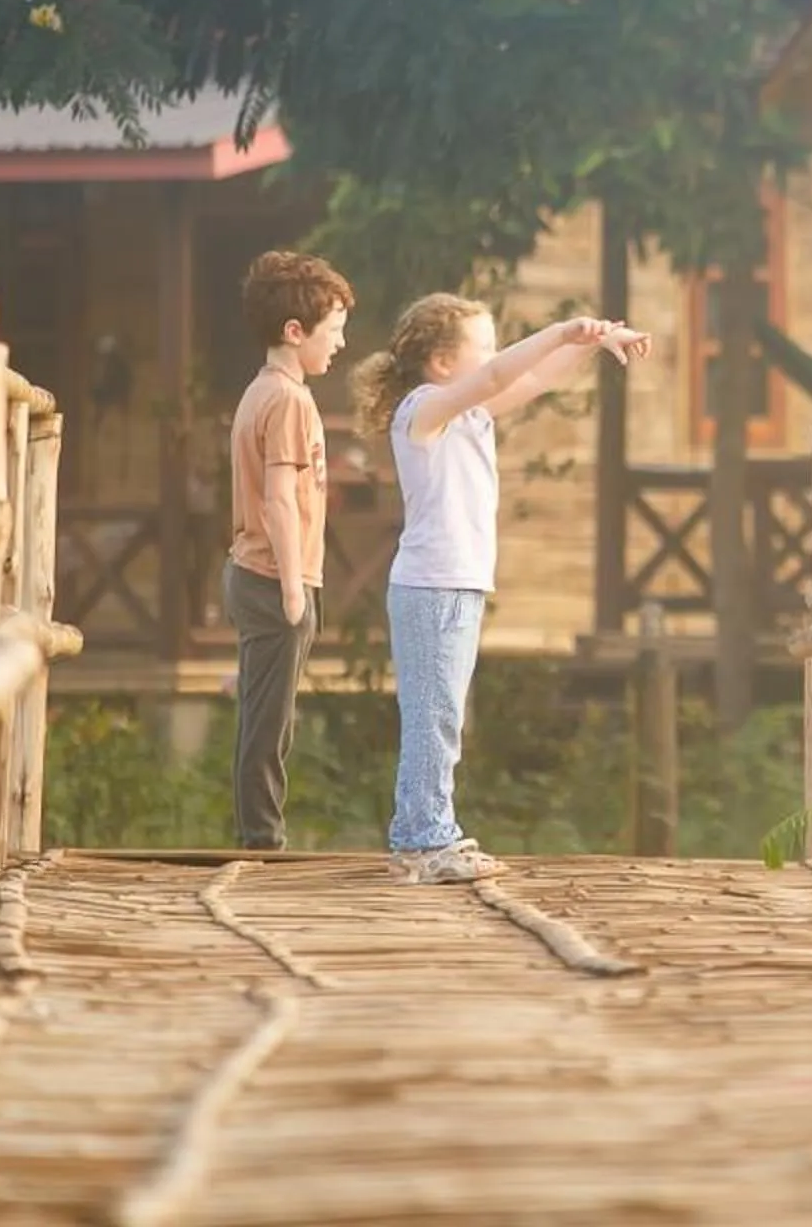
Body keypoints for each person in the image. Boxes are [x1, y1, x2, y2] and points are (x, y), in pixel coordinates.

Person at [352, 296, 648, 884]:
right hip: (432, 585)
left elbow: (532, 380)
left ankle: (424, 831)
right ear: (441, 363)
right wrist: (559, 327)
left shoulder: (467, 414)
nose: (493, 359)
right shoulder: (424, 411)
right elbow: (498, 374)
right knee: (434, 716)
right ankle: (422, 838)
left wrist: (587, 344)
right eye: (482, 345)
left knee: (442, 714)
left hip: (456, 583)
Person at [226, 250, 355, 852]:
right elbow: (278, 498)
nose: (341, 343)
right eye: (333, 331)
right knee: (271, 720)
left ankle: (259, 831)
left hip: (261, 570)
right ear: (294, 332)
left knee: (263, 713)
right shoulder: (288, 401)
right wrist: (292, 588)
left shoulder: (264, 391)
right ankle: (264, 839)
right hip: (273, 573)